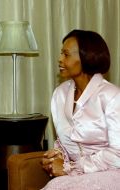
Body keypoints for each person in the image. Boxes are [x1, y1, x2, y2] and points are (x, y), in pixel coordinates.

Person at [41, 29, 120, 189]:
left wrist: (70, 168)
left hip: (112, 173)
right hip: (76, 175)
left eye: (66, 54)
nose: (60, 59)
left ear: (86, 57)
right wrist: (57, 157)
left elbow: (118, 153)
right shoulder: (59, 95)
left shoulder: (111, 95)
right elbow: (66, 142)